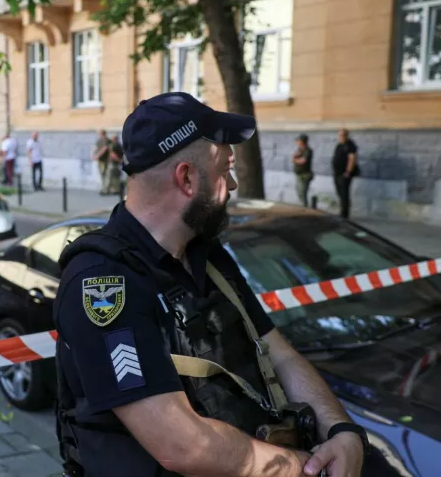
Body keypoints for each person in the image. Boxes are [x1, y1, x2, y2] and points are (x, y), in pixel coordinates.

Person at [53, 92, 367, 477]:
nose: (233, 184)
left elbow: (277, 352)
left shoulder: (207, 257)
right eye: (225, 169)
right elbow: (181, 445)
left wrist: (342, 429)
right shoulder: (103, 284)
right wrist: (306, 468)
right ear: (187, 178)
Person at [331, 129, 359, 218]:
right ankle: (343, 208)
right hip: (337, 173)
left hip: (344, 174)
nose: (341, 137)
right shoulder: (339, 144)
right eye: (340, 135)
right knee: (339, 192)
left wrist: (348, 172)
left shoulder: (350, 145)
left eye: (343, 135)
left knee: (344, 193)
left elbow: (352, 159)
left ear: (347, 135)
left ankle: (344, 214)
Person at [292, 134, 314, 207]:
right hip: (299, 175)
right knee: (299, 191)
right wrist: (295, 158)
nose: (297, 142)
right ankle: (303, 206)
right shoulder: (300, 150)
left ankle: (305, 208)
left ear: (302, 141)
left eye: (299, 141)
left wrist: (295, 160)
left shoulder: (308, 150)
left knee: (303, 192)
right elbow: (294, 157)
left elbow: (303, 161)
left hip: (305, 175)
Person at [92, 130, 111, 194]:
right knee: (102, 174)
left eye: (101, 134)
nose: (100, 136)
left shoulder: (108, 141)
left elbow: (104, 149)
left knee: (106, 174)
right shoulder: (99, 141)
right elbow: (95, 148)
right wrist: (93, 155)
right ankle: (103, 188)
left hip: (106, 161)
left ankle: (106, 189)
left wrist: (97, 156)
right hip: (101, 161)